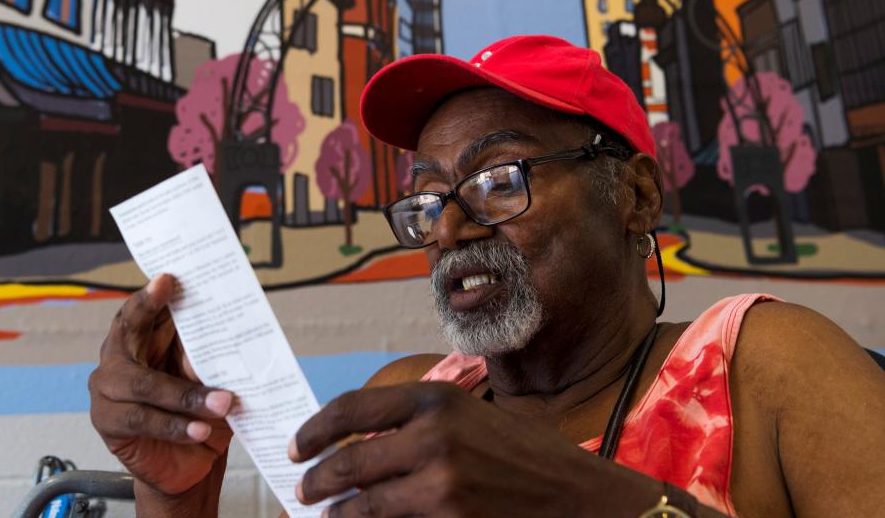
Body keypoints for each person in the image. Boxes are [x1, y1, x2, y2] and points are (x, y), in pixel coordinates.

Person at [89, 35, 885, 517]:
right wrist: (178, 494)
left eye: (500, 178)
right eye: (428, 196)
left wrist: (587, 498)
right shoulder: (406, 404)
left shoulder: (768, 364)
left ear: (636, 196)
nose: (451, 225)